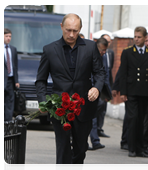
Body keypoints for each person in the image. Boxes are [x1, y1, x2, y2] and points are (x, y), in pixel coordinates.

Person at [35, 13, 105, 170]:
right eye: (68, 30)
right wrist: (42, 101)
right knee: (63, 148)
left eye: (75, 30)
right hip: (59, 108)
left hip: (84, 107)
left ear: (80, 29)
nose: (71, 34)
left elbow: (100, 72)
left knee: (81, 149)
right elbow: (41, 80)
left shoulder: (90, 47)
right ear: (61, 27)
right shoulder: (49, 50)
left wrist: (96, 87)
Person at [119, 26, 148, 158]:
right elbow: (123, 73)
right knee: (133, 119)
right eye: (135, 36)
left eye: (139, 37)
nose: (136, 39)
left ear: (145, 38)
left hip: (144, 92)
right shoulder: (127, 52)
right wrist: (123, 92)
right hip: (131, 91)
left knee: (141, 121)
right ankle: (132, 148)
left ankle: (140, 148)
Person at [88, 37, 110, 150]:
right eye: (102, 50)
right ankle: (92, 141)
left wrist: (107, 94)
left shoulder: (104, 57)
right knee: (91, 117)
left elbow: (106, 75)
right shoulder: (90, 55)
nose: (104, 52)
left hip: (100, 91)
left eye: (105, 50)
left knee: (95, 116)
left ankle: (95, 140)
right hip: (89, 90)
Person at [96, 34, 115, 138]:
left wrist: (109, 89)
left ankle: (99, 129)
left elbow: (109, 72)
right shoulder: (97, 54)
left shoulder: (110, 53)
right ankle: (94, 137)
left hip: (106, 85)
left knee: (103, 109)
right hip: (97, 87)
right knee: (95, 111)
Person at [4, 28, 20, 121]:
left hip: (10, 80)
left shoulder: (13, 49)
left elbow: (15, 66)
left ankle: (8, 123)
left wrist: (16, 81)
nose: (8, 38)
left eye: (10, 36)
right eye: (6, 36)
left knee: (10, 102)